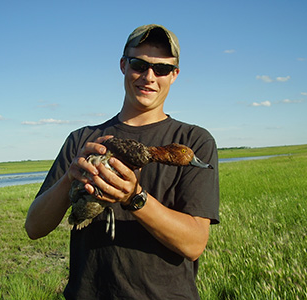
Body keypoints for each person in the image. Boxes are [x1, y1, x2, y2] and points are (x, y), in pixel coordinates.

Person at [25, 24, 219, 299]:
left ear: (174, 75)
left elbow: (194, 244)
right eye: (139, 64)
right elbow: (34, 227)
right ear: (123, 65)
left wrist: (134, 197)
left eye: (162, 69)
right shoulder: (84, 140)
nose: (149, 77)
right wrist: (70, 177)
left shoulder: (194, 142)